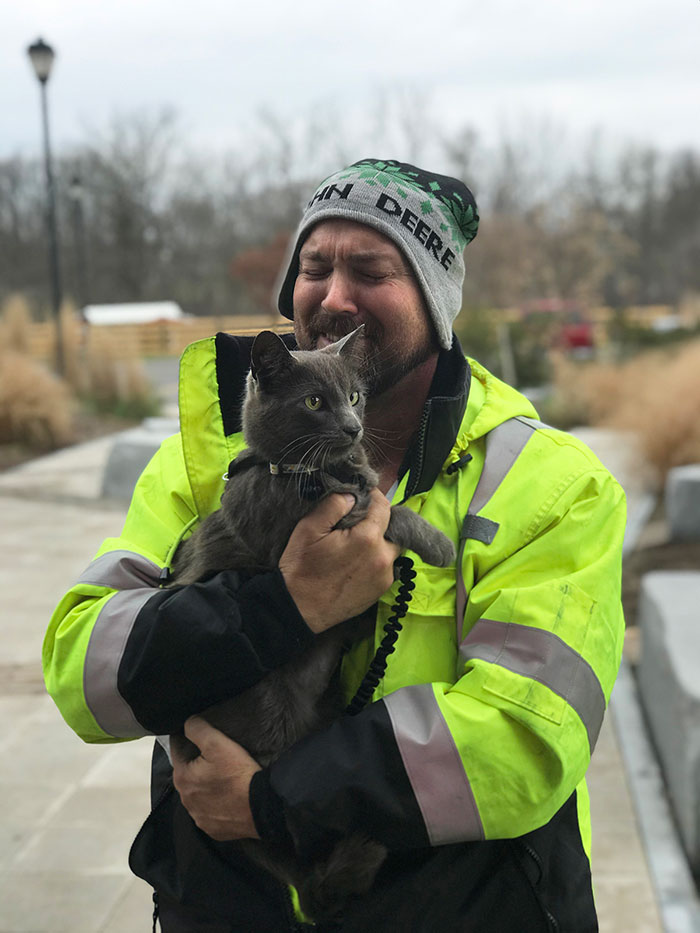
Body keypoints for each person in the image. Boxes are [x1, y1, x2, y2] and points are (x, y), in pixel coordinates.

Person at [43, 158, 626, 931]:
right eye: (314, 267)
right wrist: (274, 608)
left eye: (372, 268)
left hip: (457, 907)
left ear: (436, 298)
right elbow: (85, 671)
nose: (333, 295)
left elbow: (530, 735)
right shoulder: (207, 458)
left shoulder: (552, 483)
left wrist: (275, 802)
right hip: (225, 907)